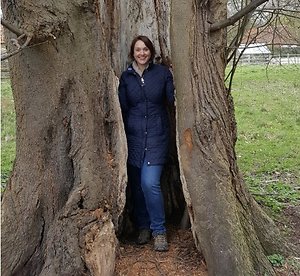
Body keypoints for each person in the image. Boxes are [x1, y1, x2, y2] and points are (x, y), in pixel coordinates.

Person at [118, 35, 175, 251]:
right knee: (137, 185)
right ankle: (143, 226)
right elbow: (122, 108)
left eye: (145, 49)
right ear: (132, 52)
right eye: (138, 50)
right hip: (133, 138)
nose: (142, 53)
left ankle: (159, 230)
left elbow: (171, 100)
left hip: (157, 136)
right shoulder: (126, 77)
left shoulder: (161, 74)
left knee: (149, 183)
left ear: (151, 51)